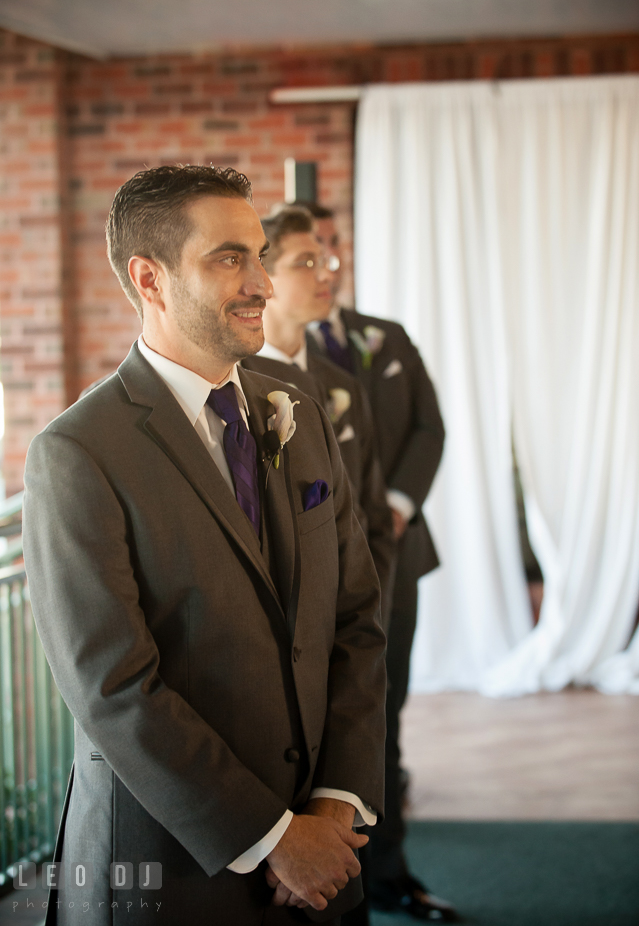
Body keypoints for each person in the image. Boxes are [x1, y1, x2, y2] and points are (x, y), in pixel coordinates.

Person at [22, 166, 387, 926]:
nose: (261, 282)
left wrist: (333, 804)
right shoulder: (77, 454)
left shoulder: (301, 416)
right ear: (149, 280)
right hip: (172, 877)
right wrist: (273, 837)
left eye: (259, 255)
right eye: (229, 258)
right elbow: (114, 690)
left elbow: (353, 617)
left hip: (324, 862)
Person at [305, 204, 456, 923]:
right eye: (310, 252)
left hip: (395, 551)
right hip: (318, 565)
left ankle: (388, 869)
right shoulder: (268, 353)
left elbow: (429, 424)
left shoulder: (383, 338)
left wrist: (395, 502)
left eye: (332, 249)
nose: (327, 264)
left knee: (383, 710)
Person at [242, 206, 395, 633]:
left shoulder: (342, 385)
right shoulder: (233, 386)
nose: (326, 276)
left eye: (324, 262)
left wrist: (369, 607)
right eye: (305, 264)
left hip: (355, 615)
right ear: (264, 278)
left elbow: (372, 512)